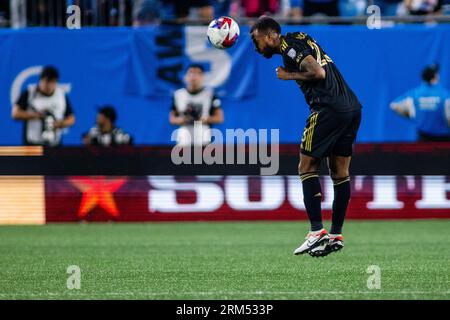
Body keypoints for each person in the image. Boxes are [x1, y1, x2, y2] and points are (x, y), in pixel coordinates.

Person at [250, 16, 362, 257]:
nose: (257, 49)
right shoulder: (299, 37)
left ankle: (315, 232)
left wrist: (287, 75)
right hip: (351, 107)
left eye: (258, 42)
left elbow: (318, 72)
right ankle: (335, 235)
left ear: (271, 37)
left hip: (327, 108)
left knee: (306, 166)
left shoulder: (288, 49)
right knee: (340, 172)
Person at [12, 66, 75, 146]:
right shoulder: (29, 93)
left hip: (55, 145)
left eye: (53, 82)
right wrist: (35, 116)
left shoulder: (61, 95)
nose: (49, 86)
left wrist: (58, 124)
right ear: (41, 80)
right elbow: (15, 113)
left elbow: (71, 119)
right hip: (32, 145)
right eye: (47, 82)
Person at [390, 64, 450, 141]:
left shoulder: (415, 94)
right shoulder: (444, 95)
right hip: (443, 139)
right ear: (436, 76)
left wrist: (412, 116)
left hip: (423, 139)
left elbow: (394, 105)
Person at [169, 64, 224, 146]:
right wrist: (182, 120)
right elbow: (172, 118)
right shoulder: (178, 95)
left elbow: (219, 118)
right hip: (184, 140)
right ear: (185, 76)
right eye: (190, 73)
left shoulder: (210, 94)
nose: (193, 76)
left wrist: (203, 119)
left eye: (197, 73)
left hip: (203, 139)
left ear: (202, 77)